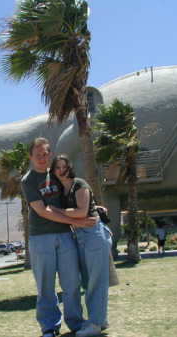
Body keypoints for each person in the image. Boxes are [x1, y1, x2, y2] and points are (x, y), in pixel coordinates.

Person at [20, 138, 97, 337]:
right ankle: (49, 327)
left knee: (72, 282)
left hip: (64, 235)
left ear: (50, 154)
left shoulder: (57, 174)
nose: (41, 158)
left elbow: (75, 194)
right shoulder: (28, 180)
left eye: (45, 154)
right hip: (41, 237)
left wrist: (94, 209)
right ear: (31, 157)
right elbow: (43, 211)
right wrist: (77, 222)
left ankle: (76, 323)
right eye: (37, 155)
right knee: (45, 285)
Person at [48, 154, 112, 337]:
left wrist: (57, 211)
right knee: (88, 280)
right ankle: (100, 319)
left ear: (70, 167)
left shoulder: (79, 184)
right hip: (81, 235)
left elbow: (82, 211)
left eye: (64, 166)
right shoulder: (63, 190)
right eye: (57, 168)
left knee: (95, 281)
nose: (61, 171)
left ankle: (94, 325)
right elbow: (83, 209)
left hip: (93, 234)